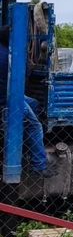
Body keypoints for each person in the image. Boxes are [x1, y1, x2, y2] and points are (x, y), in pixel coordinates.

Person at [0, 27, 54, 179]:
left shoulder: (4, 51)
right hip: (8, 99)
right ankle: (39, 166)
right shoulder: (7, 56)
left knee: (35, 103)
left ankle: (26, 140)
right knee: (35, 125)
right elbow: (20, 79)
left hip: (9, 94)